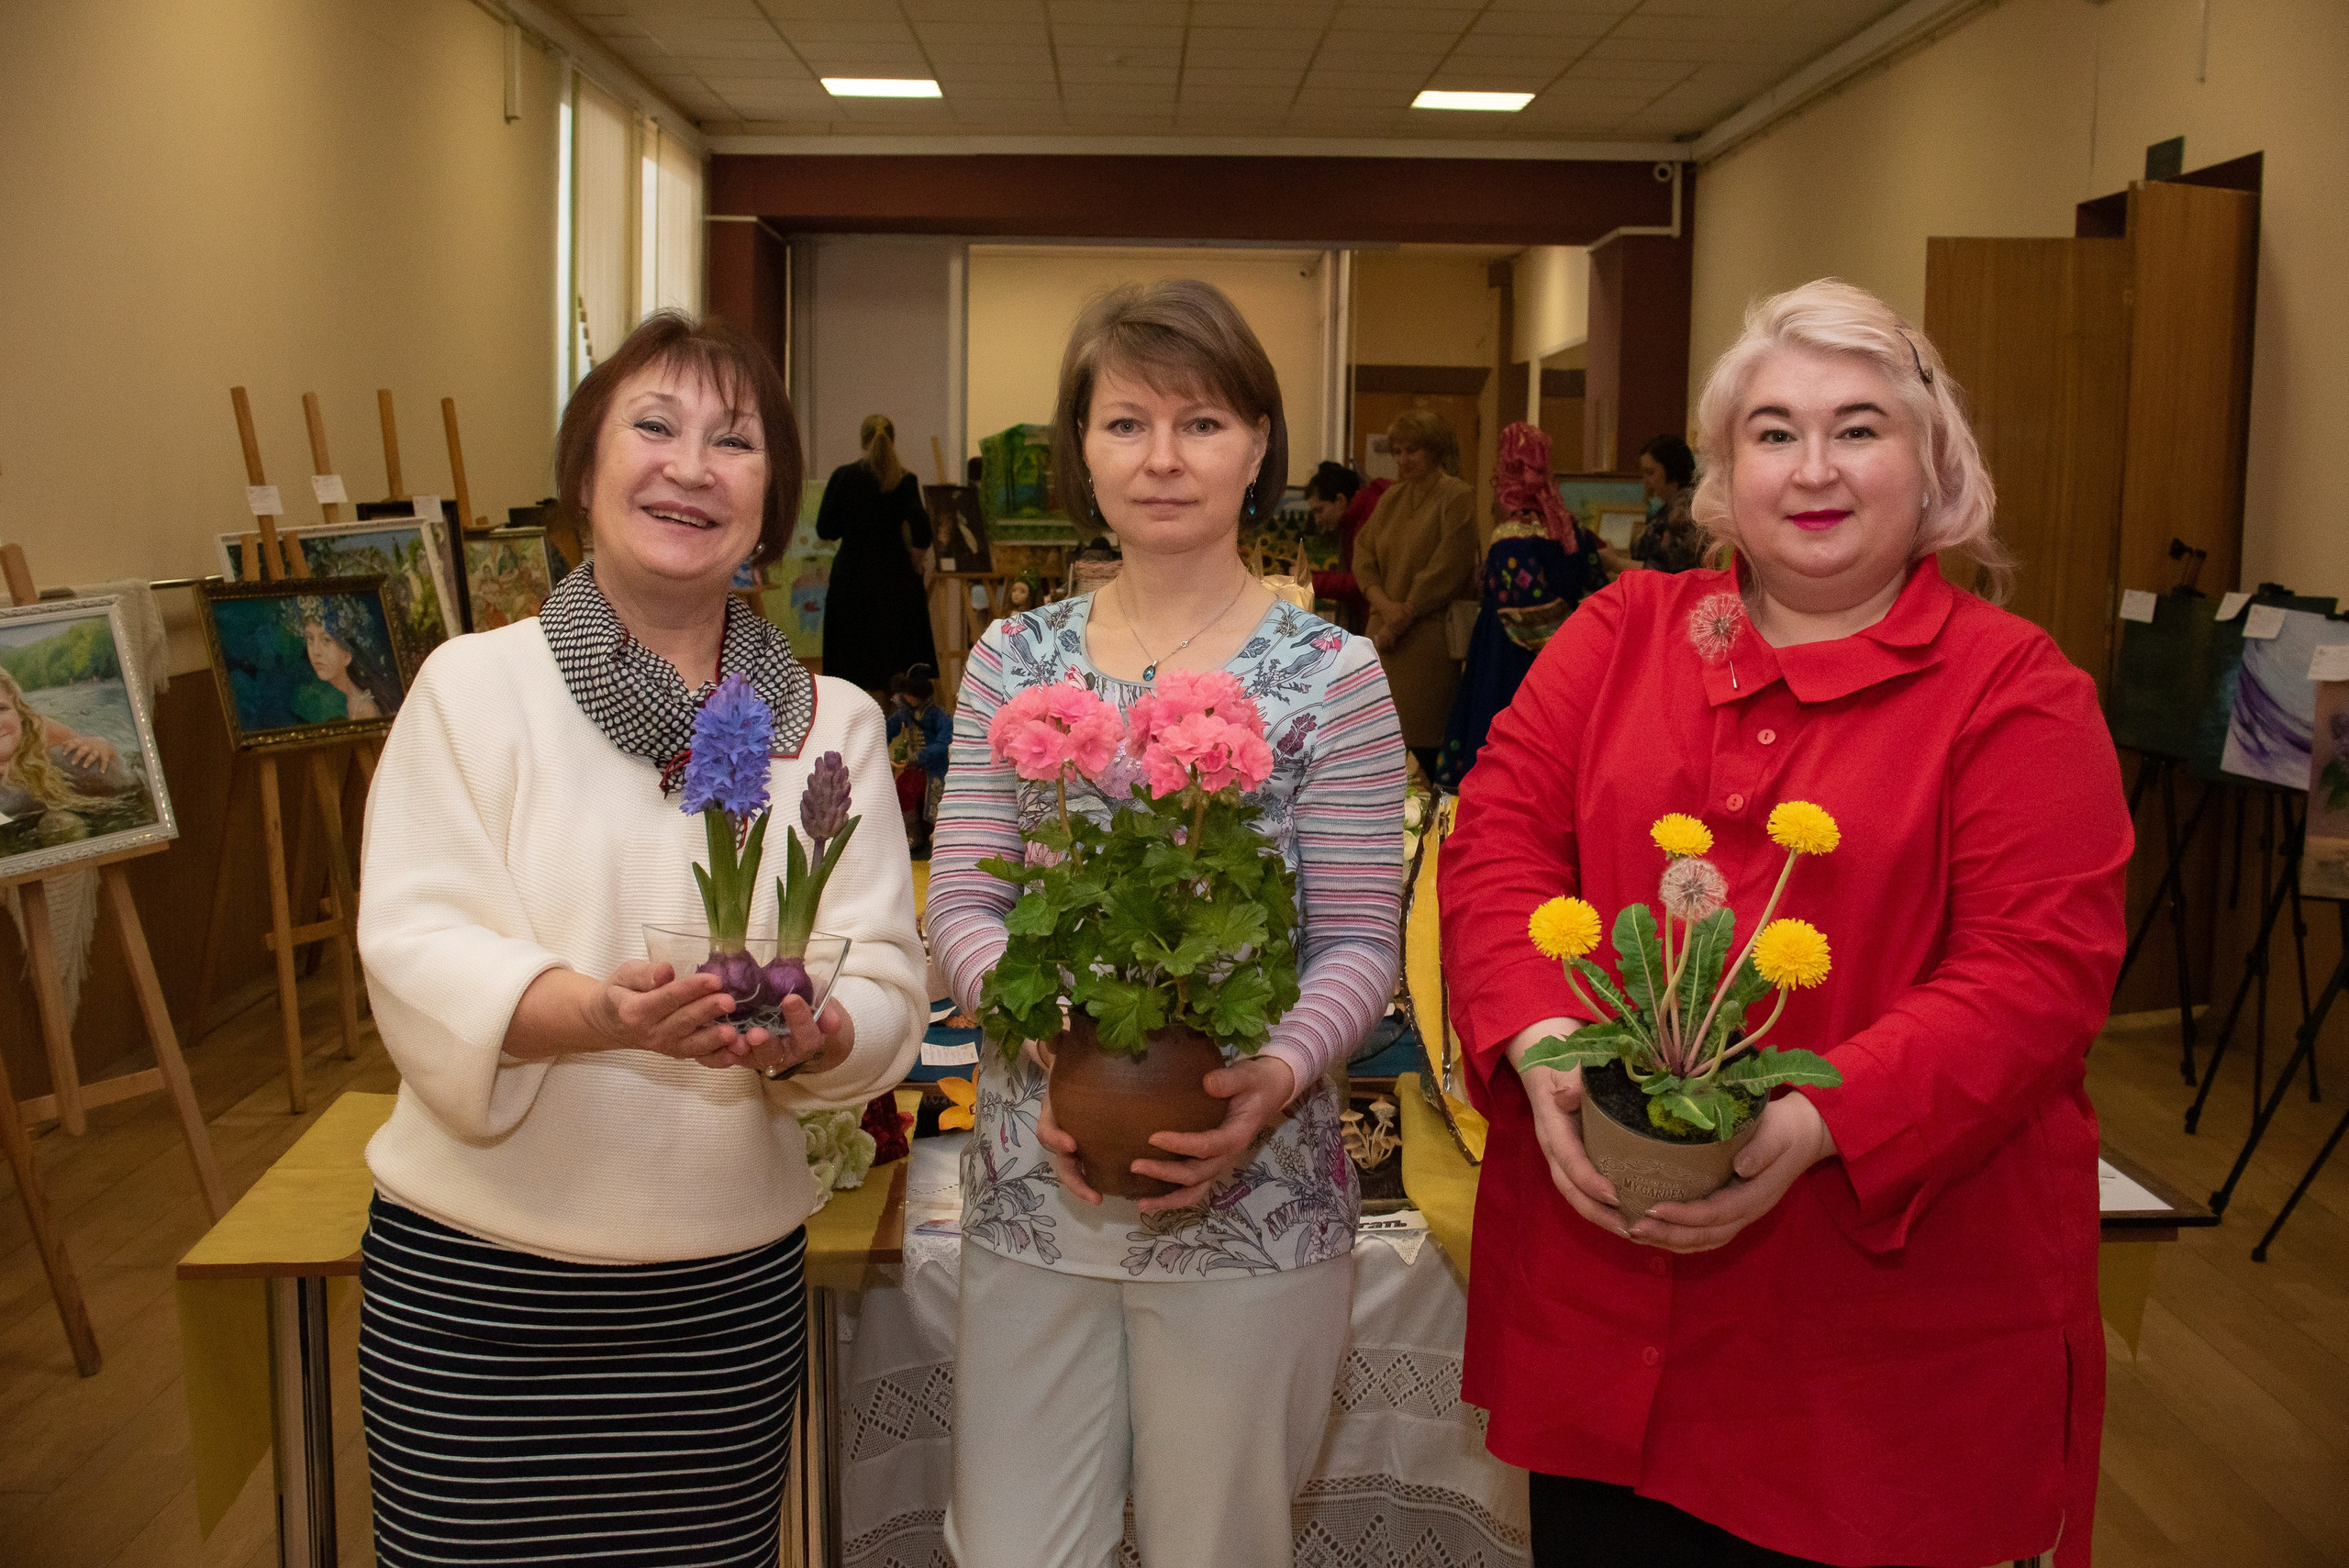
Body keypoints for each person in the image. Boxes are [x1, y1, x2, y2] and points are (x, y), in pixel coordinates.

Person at [1437, 280, 2130, 1568]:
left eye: (1860, 428)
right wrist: (1538, 1038)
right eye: (1772, 431)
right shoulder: (1617, 633)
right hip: (1606, 1311)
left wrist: (1820, 1114)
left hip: (1877, 1351)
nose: (1814, 469)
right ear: (1720, 474)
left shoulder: (2016, 692)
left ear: (1933, 465)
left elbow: (2034, 977)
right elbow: (1499, 840)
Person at [354, 311, 927, 1568]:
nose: (690, 465)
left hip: (719, 1297)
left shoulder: (829, 725)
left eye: (734, 442)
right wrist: (597, 1012)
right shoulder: (472, 686)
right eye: (653, 427)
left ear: (771, 501)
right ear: (583, 473)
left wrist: (819, 1034)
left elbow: (887, 973)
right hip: (479, 1286)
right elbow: (413, 942)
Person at [927, 278, 1407, 1568]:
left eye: (1201, 422)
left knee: (1223, 1549)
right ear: (1082, 448)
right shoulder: (1012, 662)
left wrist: (1278, 1074)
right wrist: (1039, 1033)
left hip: (1258, 1201)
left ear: (1259, 444)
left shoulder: (1334, 675)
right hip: (1038, 1191)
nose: (1161, 456)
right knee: (1017, 1551)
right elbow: (963, 904)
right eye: (1125, 421)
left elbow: (1364, 941)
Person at [1431, 422, 1603, 791]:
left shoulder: (1510, 536)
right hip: (1566, 664)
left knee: (1504, 745)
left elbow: (1516, 607)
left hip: (1507, 659)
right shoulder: (1567, 526)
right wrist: (1574, 639)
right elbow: (1591, 579)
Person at [1353, 406, 1478, 777]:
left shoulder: (1456, 496)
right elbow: (1363, 556)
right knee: (1372, 748)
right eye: (1397, 451)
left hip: (1426, 642)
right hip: (1381, 639)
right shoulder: (1391, 497)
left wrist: (1402, 615)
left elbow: (1447, 568)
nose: (1403, 460)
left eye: (1413, 450)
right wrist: (1384, 606)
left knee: (1421, 752)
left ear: (1435, 449)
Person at [818, 411, 938, 692]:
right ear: (893, 441)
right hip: (895, 581)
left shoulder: (844, 476)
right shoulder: (905, 479)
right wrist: (916, 560)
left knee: (851, 666)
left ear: (862, 441)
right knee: (894, 664)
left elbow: (826, 529)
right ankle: (897, 726)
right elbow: (923, 532)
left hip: (852, 581)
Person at [0, 666, 128, 820]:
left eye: (1, 709)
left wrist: (101, 744)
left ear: (18, 710)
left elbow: (108, 759)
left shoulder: (40, 730)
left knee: (61, 823)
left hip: (76, 807)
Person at [1300, 459, 1390, 630]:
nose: (1318, 519)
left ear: (1340, 500)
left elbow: (1363, 581)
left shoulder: (1369, 519)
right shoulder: (1355, 520)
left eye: (1320, 510)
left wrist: (1309, 580)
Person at [1601, 432, 1703, 576]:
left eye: (1650, 472)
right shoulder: (1672, 506)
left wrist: (1615, 563)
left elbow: (1667, 571)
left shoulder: (1683, 510)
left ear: (1671, 469)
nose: (1646, 481)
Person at [296, 596, 399, 720]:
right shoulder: (314, 695)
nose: (316, 651)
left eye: (326, 640)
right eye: (310, 639)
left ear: (347, 655)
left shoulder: (364, 709)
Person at [886, 662, 949, 856]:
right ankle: (912, 833)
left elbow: (943, 743)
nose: (907, 697)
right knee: (903, 788)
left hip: (935, 769)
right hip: (913, 769)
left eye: (911, 693)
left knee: (936, 801)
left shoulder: (939, 716)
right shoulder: (904, 713)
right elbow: (886, 730)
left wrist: (919, 756)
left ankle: (936, 837)